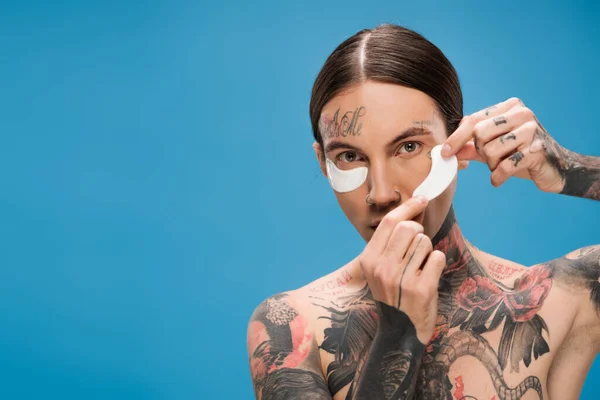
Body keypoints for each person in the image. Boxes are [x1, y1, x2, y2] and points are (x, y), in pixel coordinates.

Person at [246, 23, 600, 400]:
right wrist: (398, 336)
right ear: (322, 162)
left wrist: (571, 171)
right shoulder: (291, 329)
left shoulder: (561, 298)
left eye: (409, 147)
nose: (381, 194)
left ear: (459, 142)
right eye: (349, 156)